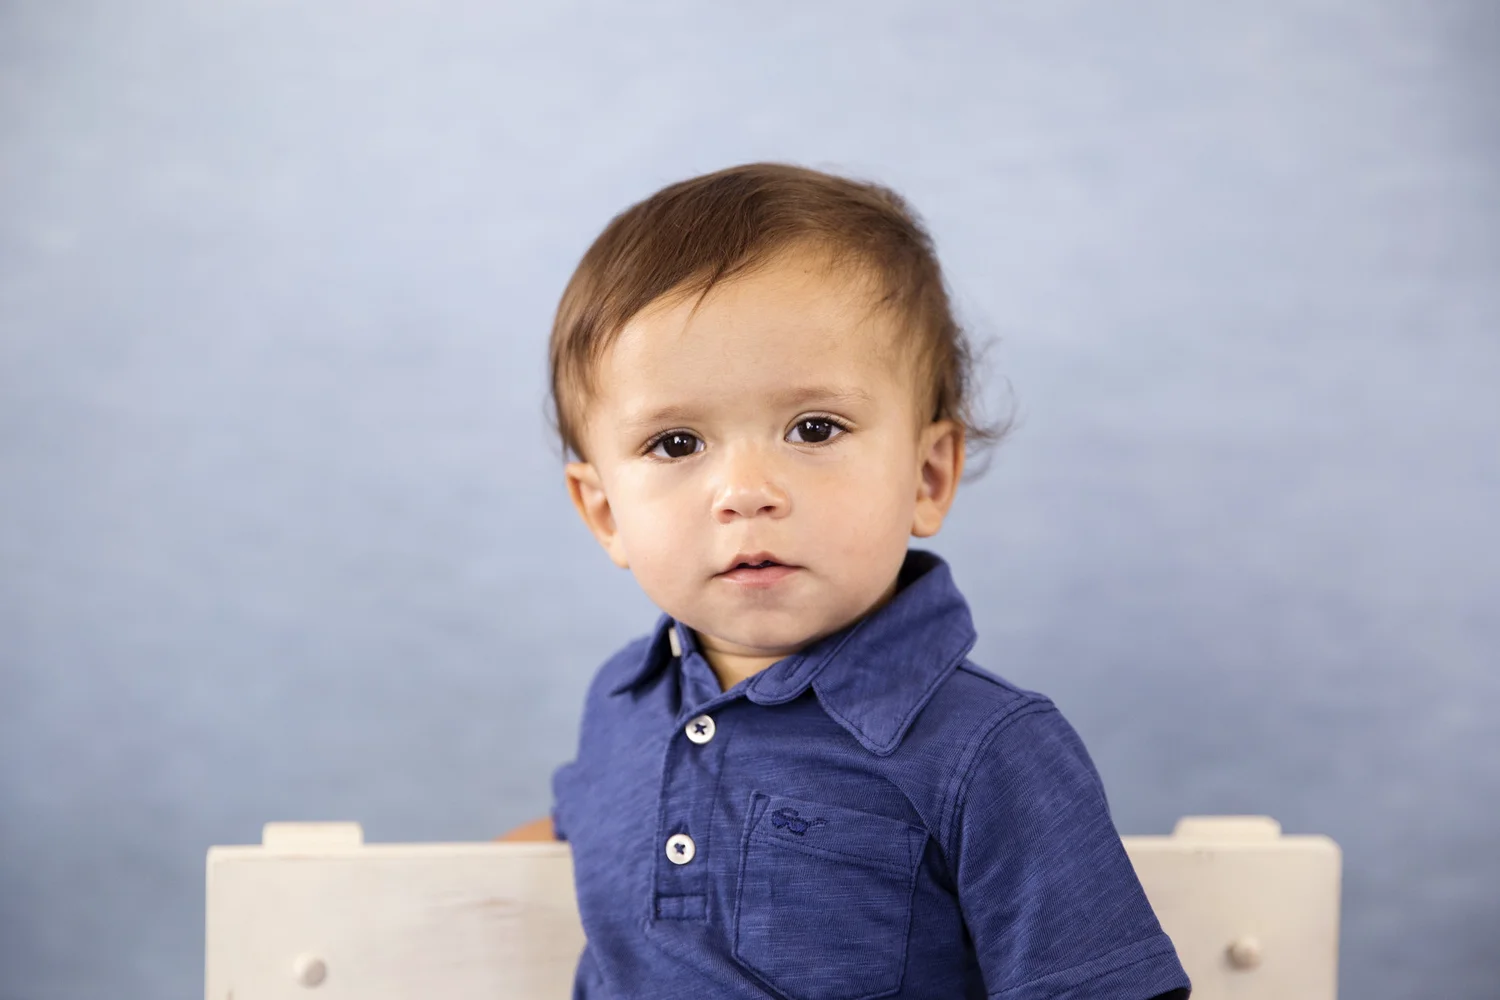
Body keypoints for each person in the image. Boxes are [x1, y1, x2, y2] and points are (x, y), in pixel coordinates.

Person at [500, 162, 1191, 1000]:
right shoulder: (623, 704)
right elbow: (592, 833)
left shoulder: (988, 749)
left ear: (927, 476)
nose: (746, 491)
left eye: (814, 428)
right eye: (677, 444)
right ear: (605, 510)